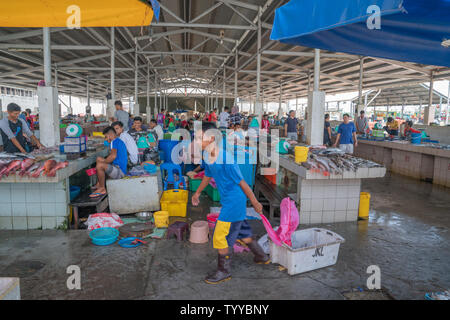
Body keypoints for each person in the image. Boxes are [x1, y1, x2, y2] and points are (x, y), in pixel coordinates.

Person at [191, 122, 269, 284]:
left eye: (200, 138)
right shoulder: (207, 155)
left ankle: (224, 270)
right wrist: (197, 192)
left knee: (220, 236)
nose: (197, 141)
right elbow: (208, 174)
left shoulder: (226, 158)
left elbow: (243, 183)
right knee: (243, 232)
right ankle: (261, 256)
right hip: (229, 201)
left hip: (234, 202)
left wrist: (255, 203)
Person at [90, 126, 128, 197]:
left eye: (106, 137)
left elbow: (113, 156)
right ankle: (99, 183)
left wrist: (103, 162)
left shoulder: (114, 142)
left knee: (100, 166)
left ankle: (102, 188)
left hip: (120, 172)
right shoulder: (118, 141)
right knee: (99, 159)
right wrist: (103, 161)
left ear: (110, 135)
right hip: (117, 168)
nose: (106, 139)